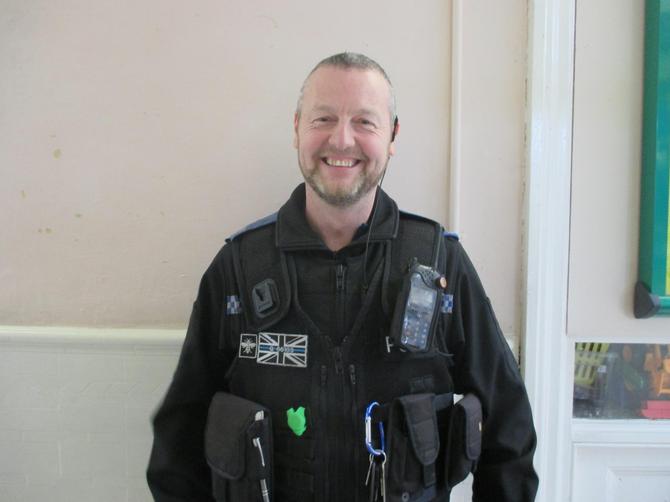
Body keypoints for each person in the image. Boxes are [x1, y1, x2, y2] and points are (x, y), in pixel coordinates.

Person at [147, 52, 538, 502]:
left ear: (392, 136)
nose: (342, 139)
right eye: (324, 119)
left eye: (365, 122)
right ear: (297, 128)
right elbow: (177, 448)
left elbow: (508, 432)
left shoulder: (441, 266)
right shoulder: (237, 270)